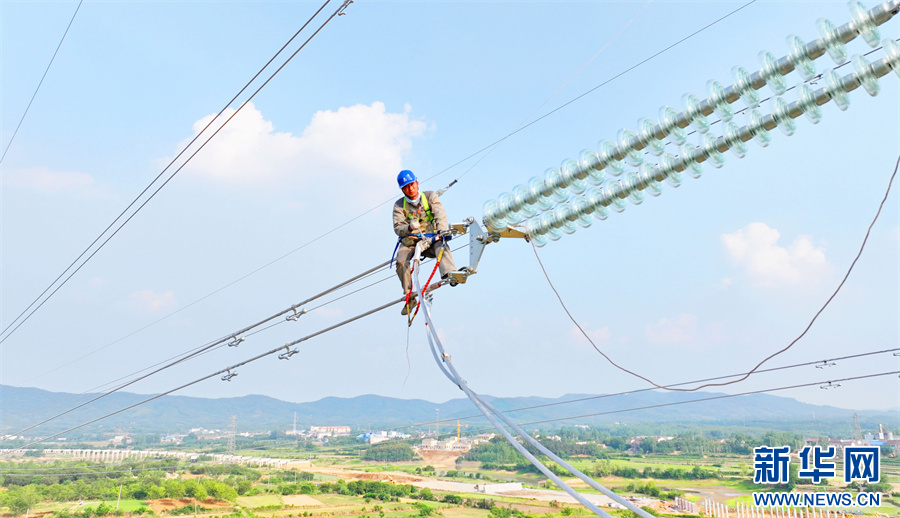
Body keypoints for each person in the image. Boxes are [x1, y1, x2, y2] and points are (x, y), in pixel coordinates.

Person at [393, 170, 457, 315]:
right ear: (402, 190)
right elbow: (397, 228)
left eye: (412, 184)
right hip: (410, 241)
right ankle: (409, 296)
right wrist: (409, 228)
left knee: (442, 245)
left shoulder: (429, 196)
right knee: (401, 261)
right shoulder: (399, 205)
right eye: (406, 187)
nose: (410, 189)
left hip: (430, 240)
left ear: (417, 183)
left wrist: (441, 232)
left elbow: (440, 214)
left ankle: (450, 273)